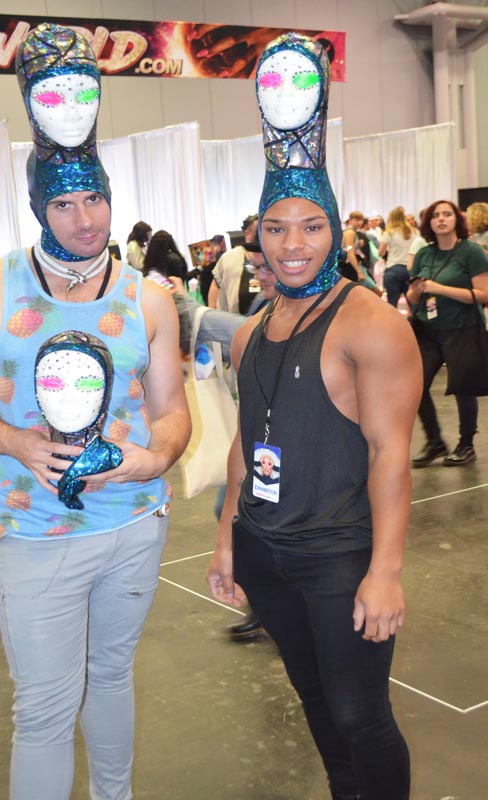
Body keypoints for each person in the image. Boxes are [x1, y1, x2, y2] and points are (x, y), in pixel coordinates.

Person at [0, 24, 190, 800]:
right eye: (65, 203)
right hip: (36, 533)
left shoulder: (147, 299)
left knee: (111, 677)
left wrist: (153, 457)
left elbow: (173, 412)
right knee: (43, 708)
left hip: (133, 524)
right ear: (38, 204)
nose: (86, 219)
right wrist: (13, 441)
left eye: (95, 197)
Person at [207, 33, 422, 800]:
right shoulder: (250, 331)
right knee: (316, 704)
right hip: (265, 552)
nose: (292, 245)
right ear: (257, 236)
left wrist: (384, 572)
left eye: (310, 226)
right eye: (276, 228)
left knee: (361, 714)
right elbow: (245, 444)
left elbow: (390, 453)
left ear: (334, 228)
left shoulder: (371, 324)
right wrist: (228, 539)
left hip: (338, 557)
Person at [407, 200, 488, 467]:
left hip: (463, 328)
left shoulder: (472, 252)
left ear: (457, 220)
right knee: (415, 385)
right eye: (436, 215)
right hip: (428, 329)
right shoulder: (424, 253)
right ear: (428, 222)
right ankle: (435, 441)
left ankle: (466, 444)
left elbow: (484, 294)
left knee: (463, 387)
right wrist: (416, 291)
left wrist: (439, 289)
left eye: (447, 214)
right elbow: (413, 296)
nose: (441, 219)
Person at [208, 213, 260, 313]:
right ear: (247, 233)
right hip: (234, 318)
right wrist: (212, 312)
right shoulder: (229, 257)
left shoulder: (273, 255)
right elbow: (215, 285)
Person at [378, 205, 415, 307]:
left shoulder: (389, 233)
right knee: (413, 303)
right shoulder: (414, 232)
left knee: (392, 304)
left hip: (393, 269)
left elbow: (380, 253)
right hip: (411, 269)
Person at [341, 211, 382, 296]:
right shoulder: (349, 233)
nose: (359, 222)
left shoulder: (353, 232)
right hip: (353, 267)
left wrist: (358, 245)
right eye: (357, 220)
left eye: (361, 220)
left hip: (356, 266)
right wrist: (359, 271)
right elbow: (350, 253)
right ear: (351, 220)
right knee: (375, 293)